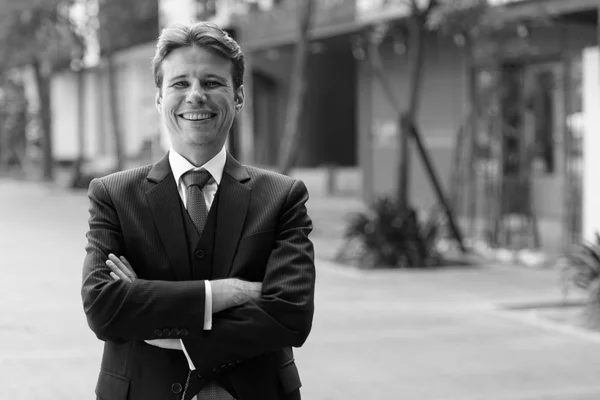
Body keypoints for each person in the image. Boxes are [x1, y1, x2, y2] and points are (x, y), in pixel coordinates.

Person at [81, 21, 315, 400]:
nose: (195, 96)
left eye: (211, 83)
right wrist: (223, 294)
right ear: (159, 98)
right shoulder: (113, 195)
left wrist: (163, 320)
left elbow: (291, 314)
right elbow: (104, 307)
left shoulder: (283, 196)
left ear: (238, 96)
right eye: (179, 83)